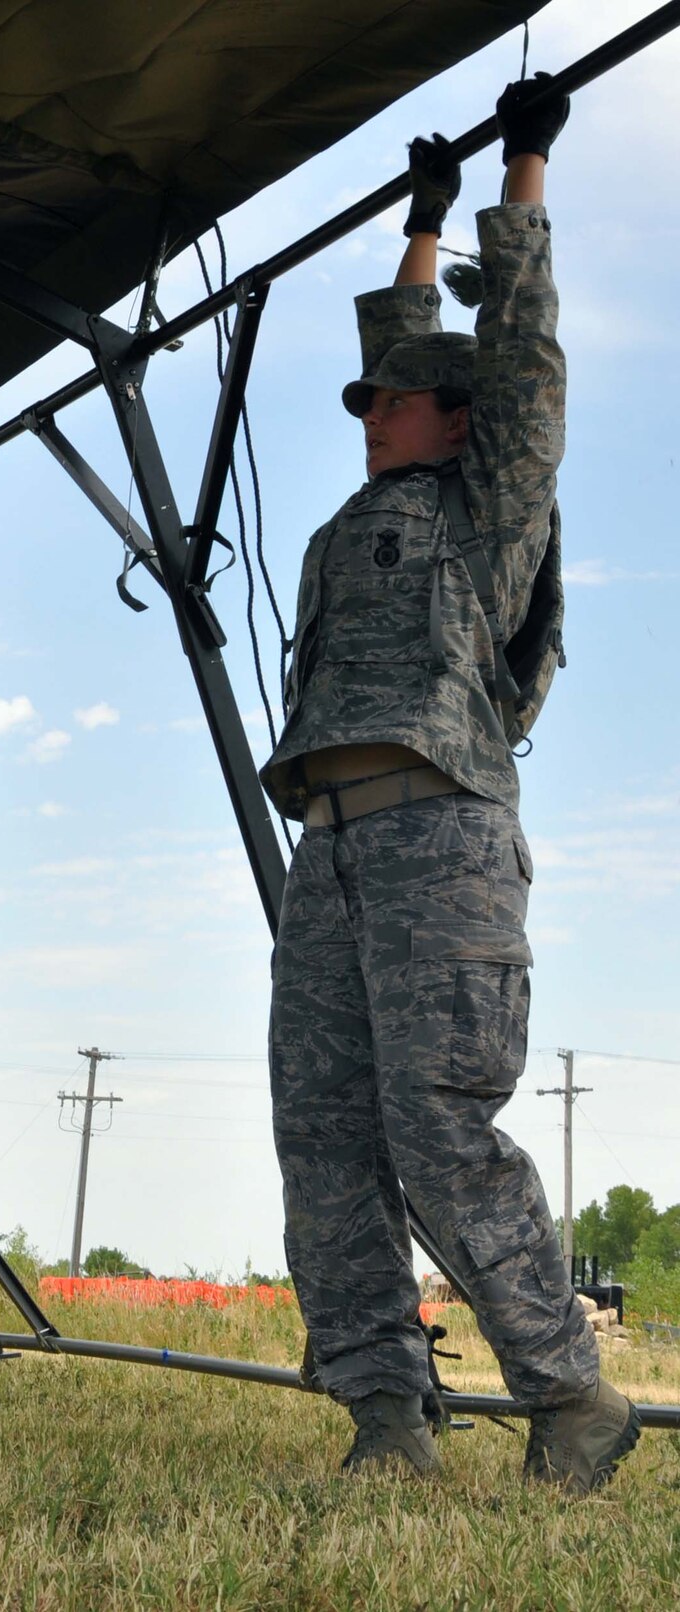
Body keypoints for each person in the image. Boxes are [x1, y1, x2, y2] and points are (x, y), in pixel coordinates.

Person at [263, 80, 636, 1494]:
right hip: (334, 848)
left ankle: (570, 1394)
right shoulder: (364, 512)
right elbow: (409, 341)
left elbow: (522, 354)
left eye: (406, 401)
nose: (379, 411)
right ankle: (386, 1416)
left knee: (436, 1123)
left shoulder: (493, 505)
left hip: (440, 838)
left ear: (463, 422)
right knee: (326, 1138)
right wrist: (419, 229)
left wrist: (520, 168)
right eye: (373, 399)